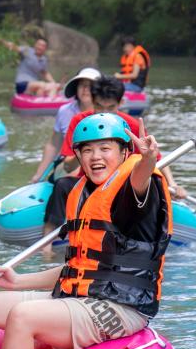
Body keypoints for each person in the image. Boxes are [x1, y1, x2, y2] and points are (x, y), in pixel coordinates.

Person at [0, 113, 172, 349]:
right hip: (81, 299)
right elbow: (81, 268)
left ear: (124, 153)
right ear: (78, 156)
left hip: (122, 308)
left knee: (24, 316)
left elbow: (140, 179)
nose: (95, 156)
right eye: (87, 150)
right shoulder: (82, 192)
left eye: (105, 148)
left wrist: (146, 159)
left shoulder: (135, 191)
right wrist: (18, 281)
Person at [42, 76, 185, 237]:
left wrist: (172, 183)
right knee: (62, 184)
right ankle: (47, 246)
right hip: (90, 182)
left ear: (120, 104)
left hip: (121, 186)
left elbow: (156, 159)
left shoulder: (131, 126)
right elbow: (68, 166)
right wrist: (81, 150)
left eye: (110, 108)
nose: (104, 113)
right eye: (99, 107)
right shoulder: (80, 123)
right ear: (92, 102)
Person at [30, 66, 100, 183]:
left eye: (90, 85)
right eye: (82, 85)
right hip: (68, 164)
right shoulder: (64, 111)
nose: (85, 89)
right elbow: (53, 145)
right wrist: (39, 175)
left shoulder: (106, 112)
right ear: (76, 88)